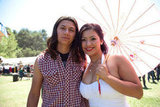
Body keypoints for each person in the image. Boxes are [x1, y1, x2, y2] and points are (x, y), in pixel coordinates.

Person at [27, 16, 88, 107]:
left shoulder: (82, 59)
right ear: (56, 31)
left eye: (71, 30)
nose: (66, 32)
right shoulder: (41, 60)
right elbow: (34, 94)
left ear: (75, 35)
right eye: (63, 28)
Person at [79, 23, 143, 107]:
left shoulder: (117, 60)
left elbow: (138, 93)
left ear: (101, 40)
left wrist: (107, 77)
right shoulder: (85, 67)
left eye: (93, 39)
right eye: (83, 40)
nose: (88, 44)